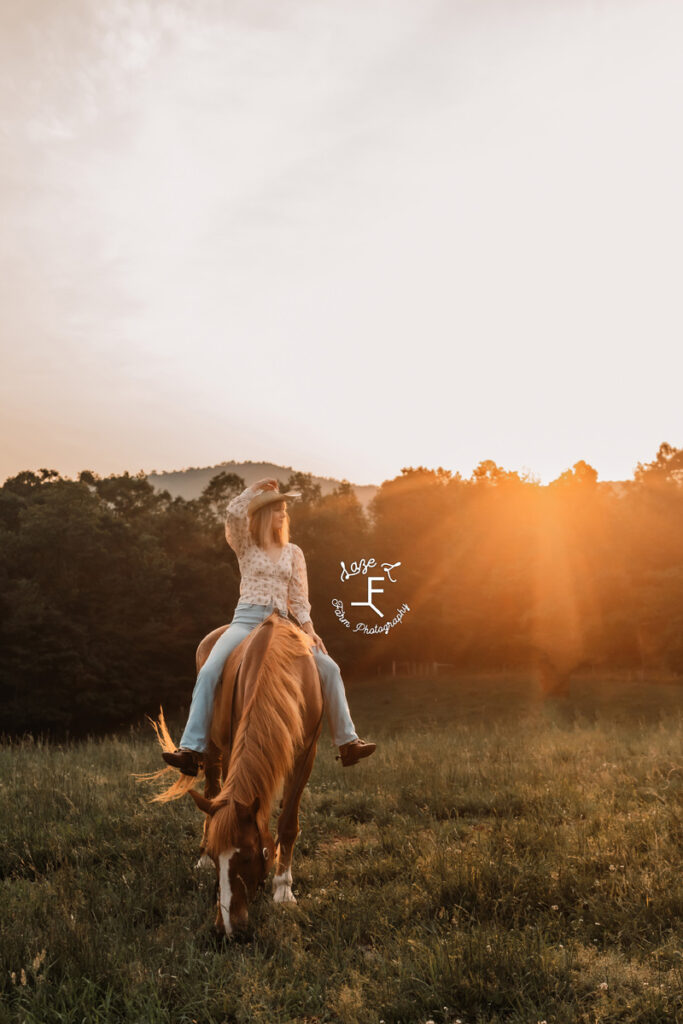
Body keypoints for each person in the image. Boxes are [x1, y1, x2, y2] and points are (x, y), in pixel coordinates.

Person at [162, 477, 376, 776]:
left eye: (284, 509)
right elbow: (233, 513)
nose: (283, 514)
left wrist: (310, 629)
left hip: (283, 623)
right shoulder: (245, 545)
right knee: (210, 670)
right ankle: (192, 749)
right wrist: (256, 489)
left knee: (330, 668)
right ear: (263, 514)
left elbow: (300, 598)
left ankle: (347, 742)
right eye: (277, 509)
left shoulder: (294, 552)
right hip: (246, 620)